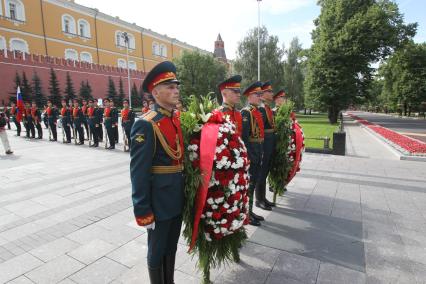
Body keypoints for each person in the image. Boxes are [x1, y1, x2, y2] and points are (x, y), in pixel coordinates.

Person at [130, 61, 184, 284]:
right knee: (156, 249)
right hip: (159, 201)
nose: (176, 90)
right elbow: (138, 171)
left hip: (177, 196)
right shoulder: (146, 124)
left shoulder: (176, 119)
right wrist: (142, 209)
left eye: (176, 86)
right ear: (155, 92)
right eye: (170, 87)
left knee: (171, 247)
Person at [241, 81, 265, 226]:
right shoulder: (246, 112)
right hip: (252, 153)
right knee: (249, 185)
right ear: (249, 96)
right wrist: (248, 156)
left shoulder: (256, 111)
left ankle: (250, 211)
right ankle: (247, 214)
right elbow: (244, 138)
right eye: (258, 94)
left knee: (254, 182)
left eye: (261, 94)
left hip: (258, 150)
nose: (260, 97)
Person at [256, 81, 276, 210]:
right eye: (269, 91)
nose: (272, 93)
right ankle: (259, 199)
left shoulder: (267, 107)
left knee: (266, 170)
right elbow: (260, 130)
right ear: (262, 94)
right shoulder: (262, 109)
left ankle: (263, 197)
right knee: (262, 172)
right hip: (265, 143)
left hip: (270, 141)